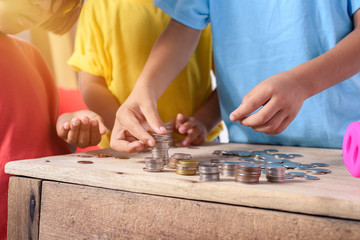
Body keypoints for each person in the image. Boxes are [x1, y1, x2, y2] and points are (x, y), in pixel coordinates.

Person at [109, 0, 360, 153]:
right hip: (248, 150)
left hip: (344, 148)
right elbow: (182, 27)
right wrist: (144, 89)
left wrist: (301, 84)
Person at [0, 0, 106, 238]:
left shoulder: (32, 55)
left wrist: (68, 124)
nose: (45, 9)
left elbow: (41, 140)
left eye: (60, 6)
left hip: (48, 217)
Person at [68, 0, 222, 151]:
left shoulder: (201, 5)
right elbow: (91, 84)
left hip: (197, 145)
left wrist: (203, 121)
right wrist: (124, 124)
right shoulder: (98, 6)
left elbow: (228, 84)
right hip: (124, 146)